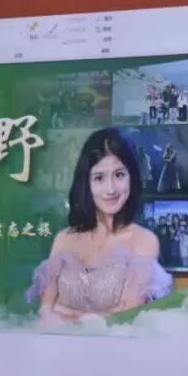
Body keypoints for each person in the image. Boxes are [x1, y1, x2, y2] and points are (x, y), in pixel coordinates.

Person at [28, 128, 171, 325]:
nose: (110, 189)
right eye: (99, 178)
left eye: (119, 175)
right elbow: (45, 311)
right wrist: (90, 317)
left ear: (131, 177)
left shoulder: (144, 241)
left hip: (116, 343)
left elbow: (127, 315)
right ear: (86, 183)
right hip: (57, 342)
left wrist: (66, 312)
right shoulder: (64, 239)